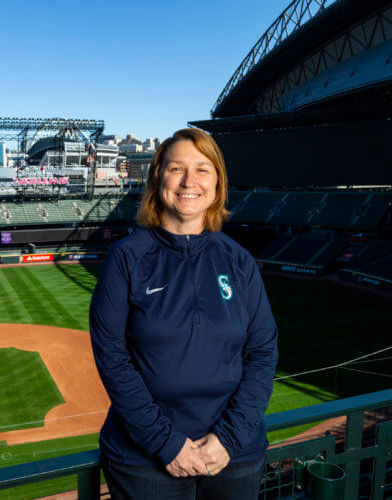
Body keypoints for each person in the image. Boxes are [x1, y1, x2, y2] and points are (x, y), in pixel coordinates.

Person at [89, 128, 278, 499]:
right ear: (158, 177)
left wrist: (229, 438)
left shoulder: (237, 260)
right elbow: (111, 355)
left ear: (217, 182)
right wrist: (166, 444)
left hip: (233, 453)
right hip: (145, 459)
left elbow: (263, 351)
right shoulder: (126, 258)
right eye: (177, 168)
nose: (189, 181)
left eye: (202, 169)